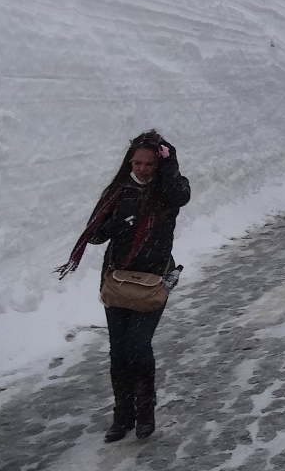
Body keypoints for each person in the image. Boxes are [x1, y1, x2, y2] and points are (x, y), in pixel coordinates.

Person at [55, 130, 190, 442]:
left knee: (138, 345)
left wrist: (170, 162)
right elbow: (95, 234)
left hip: (153, 281)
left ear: (159, 164)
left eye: (149, 164)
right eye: (137, 162)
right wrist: (116, 225)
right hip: (118, 281)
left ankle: (145, 411)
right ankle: (123, 415)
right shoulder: (118, 191)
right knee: (118, 351)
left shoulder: (168, 191)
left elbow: (180, 196)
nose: (142, 169)